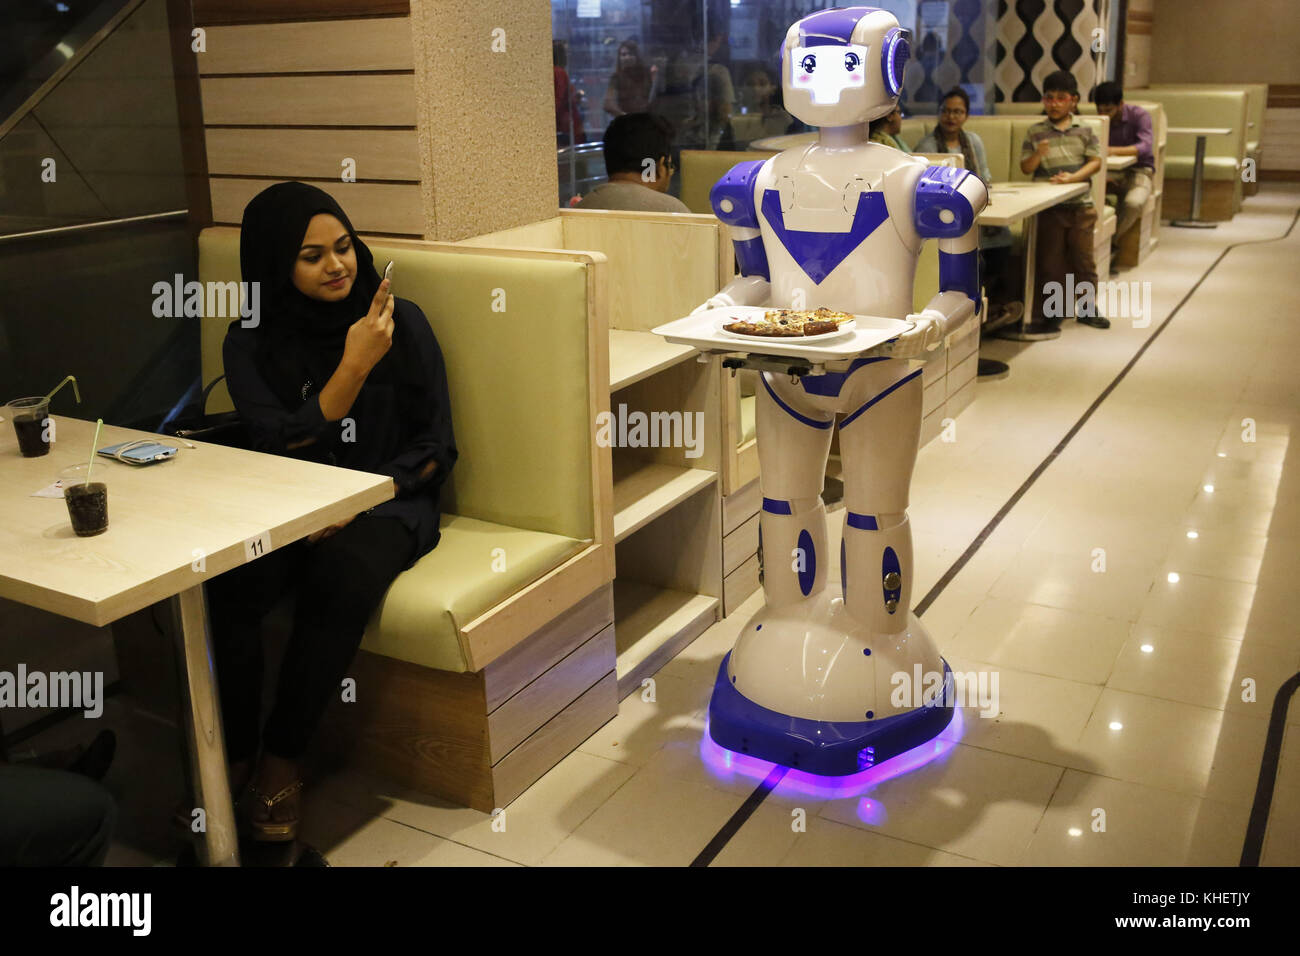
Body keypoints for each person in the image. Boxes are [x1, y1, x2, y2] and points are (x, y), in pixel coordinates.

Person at [212, 182, 457, 842]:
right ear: (273, 266)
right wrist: (350, 369)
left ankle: (279, 759)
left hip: (389, 500)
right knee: (226, 583)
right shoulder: (250, 341)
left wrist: (361, 498)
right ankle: (227, 757)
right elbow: (276, 444)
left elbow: (437, 450)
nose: (338, 266)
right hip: (291, 503)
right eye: (311, 255)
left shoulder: (400, 322)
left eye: (344, 247)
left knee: (341, 575)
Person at [915, 89, 1022, 330]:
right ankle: (983, 315)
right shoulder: (928, 145)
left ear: (966, 115)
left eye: (957, 112)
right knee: (975, 252)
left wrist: (982, 193)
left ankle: (991, 308)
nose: (951, 117)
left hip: (977, 209)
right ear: (939, 113)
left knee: (1003, 241)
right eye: (946, 111)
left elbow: (983, 176)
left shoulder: (973, 141)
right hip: (947, 216)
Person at [1019, 70, 1108, 330]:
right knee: (1050, 262)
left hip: (1080, 206)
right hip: (1048, 208)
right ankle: (1053, 311)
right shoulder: (1035, 131)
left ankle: (1087, 307)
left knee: (1083, 260)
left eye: (1061, 98)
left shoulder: (1085, 129)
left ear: (1073, 100)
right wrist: (1039, 153)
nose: (1054, 104)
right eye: (1049, 98)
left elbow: (1095, 162)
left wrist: (1073, 179)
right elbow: (1026, 167)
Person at [574, 113, 691, 213]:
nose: (670, 174)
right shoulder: (672, 211)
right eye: (670, 166)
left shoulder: (580, 208)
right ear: (656, 166)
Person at [1094, 81, 1154, 268]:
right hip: (1106, 172)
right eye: (1100, 110)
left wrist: (1113, 151)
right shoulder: (1096, 121)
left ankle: (1111, 242)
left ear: (1121, 104)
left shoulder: (1139, 115)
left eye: (1109, 110)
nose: (1104, 115)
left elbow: (1145, 147)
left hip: (1139, 171)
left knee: (1133, 203)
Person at [603, 39, 655, 118]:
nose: (627, 57)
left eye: (631, 54)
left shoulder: (647, 73)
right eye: (623, 55)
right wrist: (624, 117)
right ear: (619, 58)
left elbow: (657, 97)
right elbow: (608, 104)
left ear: (637, 56)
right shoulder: (616, 78)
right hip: (627, 123)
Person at [554, 40, 584, 146]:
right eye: (566, 52)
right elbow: (559, 101)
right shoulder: (559, 72)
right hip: (566, 129)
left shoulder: (557, 72)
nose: (568, 55)